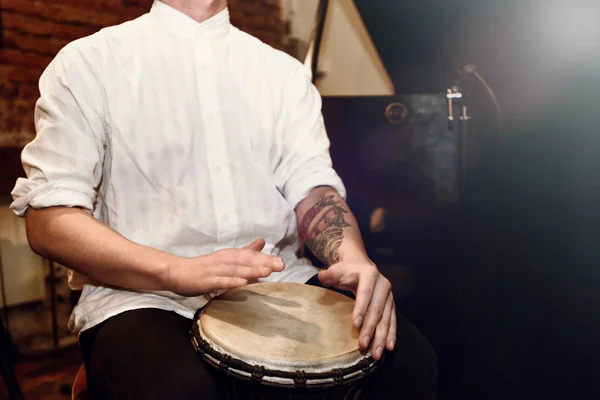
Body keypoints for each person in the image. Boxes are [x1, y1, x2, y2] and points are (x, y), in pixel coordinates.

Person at [11, 0, 437, 398]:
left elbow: (313, 188)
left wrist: (353, 258)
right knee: (181, 389)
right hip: (142, 295)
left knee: (410, 362)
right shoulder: (87, 63)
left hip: (276, 282)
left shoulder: (284, 74)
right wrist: (175, 271)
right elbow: (49, 218)